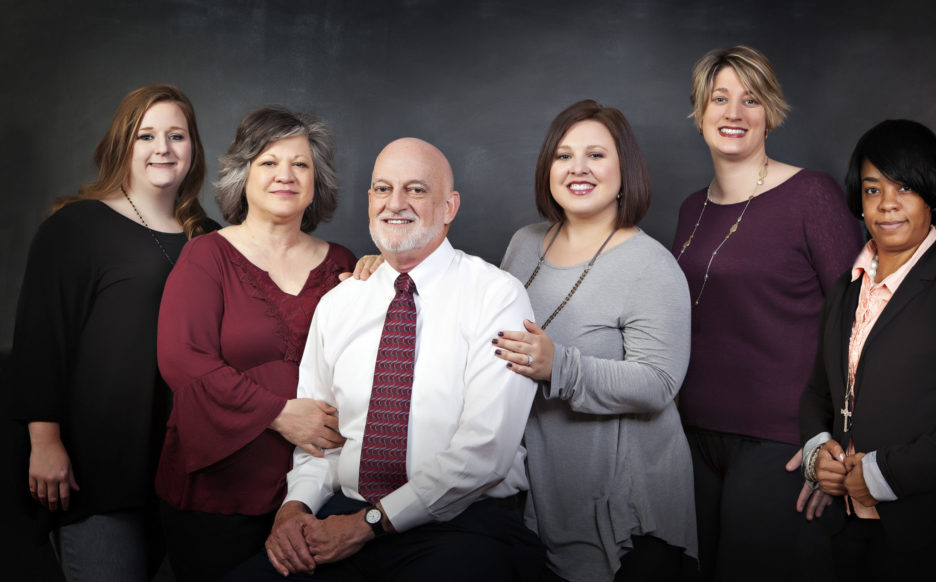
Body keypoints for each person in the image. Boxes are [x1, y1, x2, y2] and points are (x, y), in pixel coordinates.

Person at [224, 137, 544, 581]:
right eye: (382, 189)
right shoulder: (339, 304)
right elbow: (320, 441)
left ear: (449, 207)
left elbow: (484, 452)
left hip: (461, 522)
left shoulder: (495, 296)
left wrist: (369, 524)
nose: (395, 204)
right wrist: (295, 508)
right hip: (347, 511)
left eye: (416, 189)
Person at [4, 84, 214, 581]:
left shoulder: (211, 238)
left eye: (176, 135)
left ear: (193, 148)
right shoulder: (75, 227)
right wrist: (45, 442)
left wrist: (361, 275)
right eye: (146, 136)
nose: (163, 148)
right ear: (123, 145)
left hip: (186, 476)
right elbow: (40, 340)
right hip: (94, 472)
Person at [670, 46, 863, 580]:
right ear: (700, 112)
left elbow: (861, 324)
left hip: (783, 442)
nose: (733, 113)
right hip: (693, 437)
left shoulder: (812, 194)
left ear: (770, 113)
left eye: (750, 99)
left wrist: (835, 447)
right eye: (720, 99)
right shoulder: (691, 208)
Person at [492, 99, 699, 581]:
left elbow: (659, 382)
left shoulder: (652, 265)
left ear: (625, 171)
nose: (577, 168)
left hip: (625, 504)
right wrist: (391, 268)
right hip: (539, 486)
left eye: (596, 155)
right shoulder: (524, 243)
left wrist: (559, 367)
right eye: (563, 155)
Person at [800, 119, 936, 581]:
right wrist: (818, 454)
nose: (887, 204)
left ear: (931, 195)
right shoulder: (843, 291)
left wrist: (883, 474)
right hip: (848, 522)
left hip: (934, 526)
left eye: (905, 187)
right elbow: (818, 393)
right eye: (872, 189)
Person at [154, 106, 356, 582]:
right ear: (243, 174)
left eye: (300, 164)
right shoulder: (206, 255)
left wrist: (379, 275)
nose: (285, 175)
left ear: (317, 181)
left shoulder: (345, 264)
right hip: (219, 492)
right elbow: (183, 360)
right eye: (268, 162)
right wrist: (279, 414)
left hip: (318, 489)